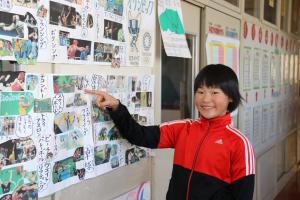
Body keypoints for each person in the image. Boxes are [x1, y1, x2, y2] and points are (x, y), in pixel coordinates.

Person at [85, 64, 255, 200]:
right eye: (200, 91)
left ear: (230, 97)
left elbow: (242, 195)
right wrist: (116, 106)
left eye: (215, 92)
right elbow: (139, 135)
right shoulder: (183, 128)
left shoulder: (239, 143)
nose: (205, 99)